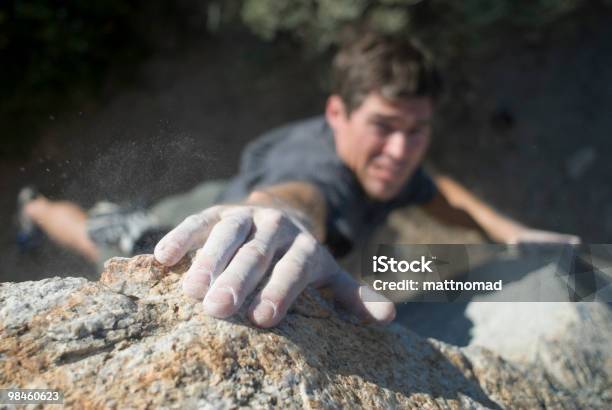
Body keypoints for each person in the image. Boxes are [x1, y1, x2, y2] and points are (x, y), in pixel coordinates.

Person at [20, 32, 580, 328]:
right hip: (187, 233)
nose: (401, 150)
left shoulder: (392, 164)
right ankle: (36, 208)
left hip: (217, 200)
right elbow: (295, 194)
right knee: (97, 230)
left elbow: (439, 189)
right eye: (385, 127)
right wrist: (278, 218)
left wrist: (510, 233)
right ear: (337, 113)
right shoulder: (318, 166)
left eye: (418, 130)